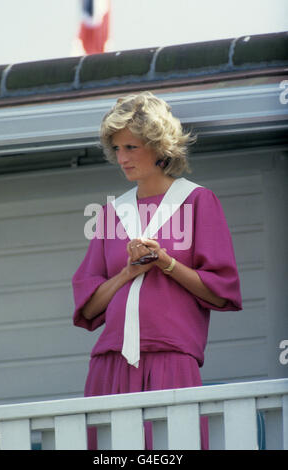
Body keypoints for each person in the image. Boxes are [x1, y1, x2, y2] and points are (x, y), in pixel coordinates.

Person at [72, 91, 242, 450]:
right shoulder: (110, 213)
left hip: (171, 355)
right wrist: (127, 273)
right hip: (111, 362)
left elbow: (220, 291)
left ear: (158, 145)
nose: (122, 158)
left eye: (131, 147)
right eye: (117, 149)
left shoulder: (198, 201)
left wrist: (166, 263)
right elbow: (88, 309)